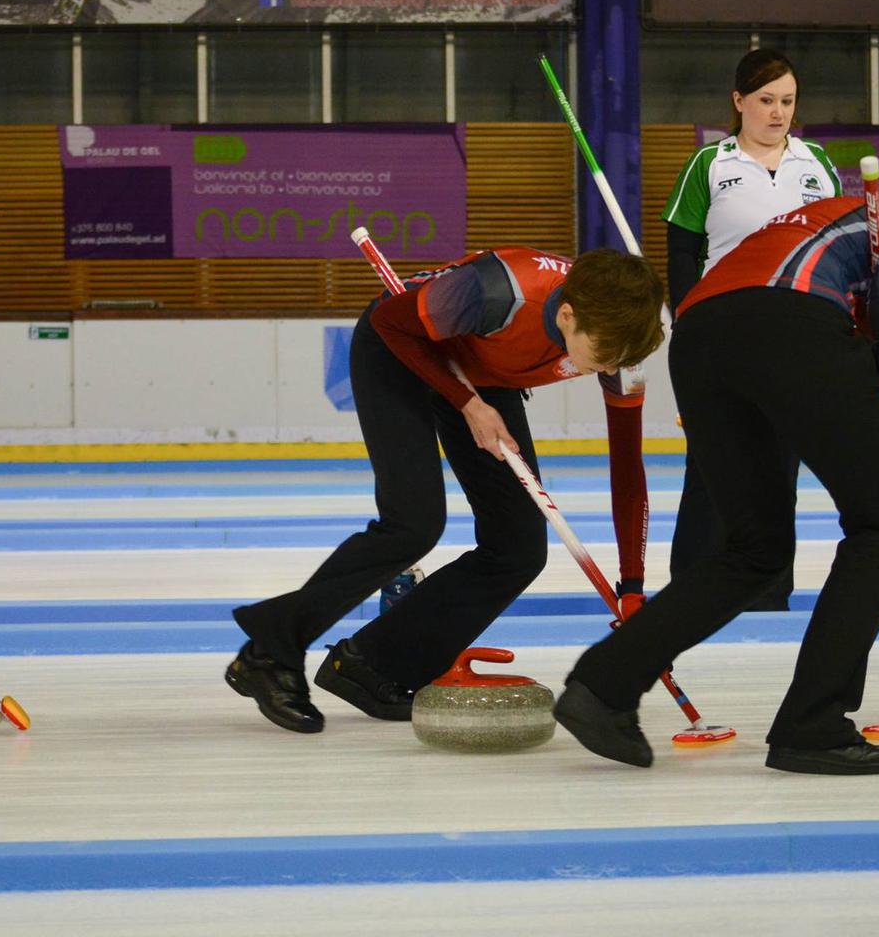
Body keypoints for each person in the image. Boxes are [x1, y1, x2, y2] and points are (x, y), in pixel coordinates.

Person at [554, 178, 879, 776]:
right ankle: (812, 725)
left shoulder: (815, 218)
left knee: (755, 549)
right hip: (788, 325)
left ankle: (602, 685)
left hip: (699, 339)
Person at [225, 246, 666, 733]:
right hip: (400, 349)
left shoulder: (623, 353)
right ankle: (268, 652)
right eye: (599, 356)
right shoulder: (496, 292)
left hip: (481, 369)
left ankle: (373, 664)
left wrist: (633, 588)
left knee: (518, 548)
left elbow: (628, 472)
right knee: (413, 525)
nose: (607, 370)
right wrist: (467, 403)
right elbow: (391, 324)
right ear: (567, 315)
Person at [663, 49, 841, 611]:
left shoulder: (817, 163)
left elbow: (836, 249)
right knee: (712, 464)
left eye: (787, 101)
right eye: (766, 100)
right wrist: (688, 328)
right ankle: (691, 589)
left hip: (796, 336)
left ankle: (768, 590)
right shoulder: (709, 164)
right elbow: (680, 258)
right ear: (739, 102)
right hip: (720, 335)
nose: (778, 112)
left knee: (778, 469)